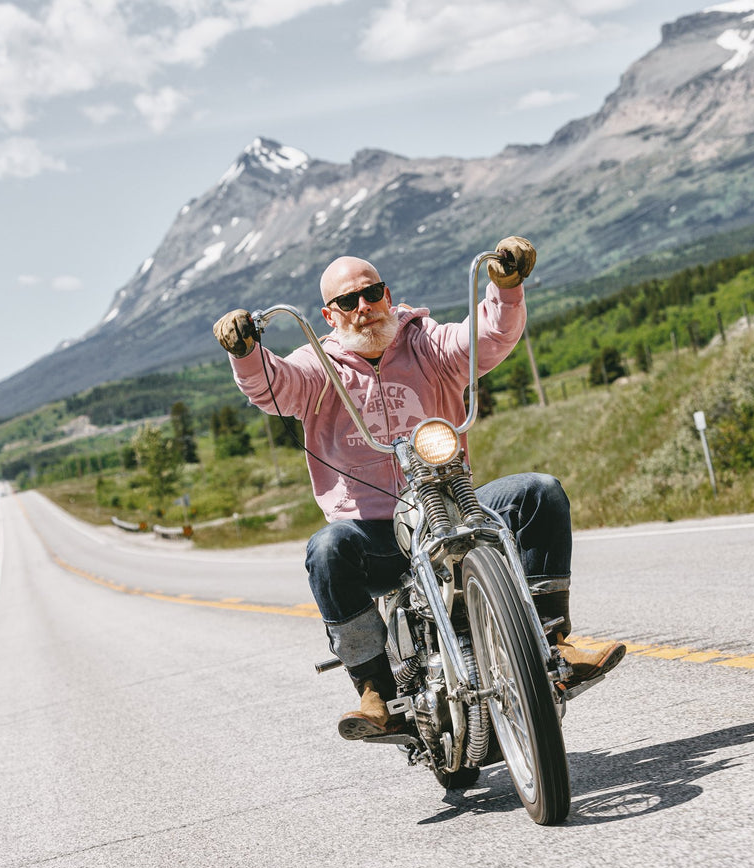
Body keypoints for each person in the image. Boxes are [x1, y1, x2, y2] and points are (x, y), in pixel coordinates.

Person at [213, 237, 625, 740]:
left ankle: (552, 642)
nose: (364, 308)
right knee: (325, 550)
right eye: (348, 302)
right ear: (329, 315)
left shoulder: (426, 342)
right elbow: (272, 386)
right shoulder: (317, 367)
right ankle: (375, 692)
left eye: (373, 293)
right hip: (373, 534)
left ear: (388, 294)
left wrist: (507, 285)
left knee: (538, 492)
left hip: (451, 506)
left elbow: (488, 336)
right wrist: (246, 352)